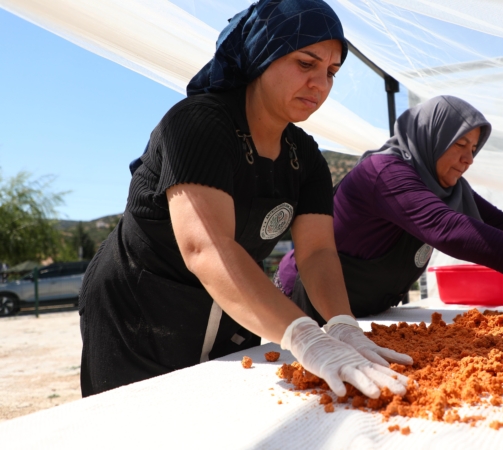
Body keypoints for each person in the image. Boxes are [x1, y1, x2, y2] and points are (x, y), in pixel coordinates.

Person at [79, 0, 411, 399]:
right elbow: (206, 247)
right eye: (306, 64)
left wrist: (341, 324)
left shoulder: (304, 157)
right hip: (140, 314)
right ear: (262, 54)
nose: (320, 84)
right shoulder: (197, 124)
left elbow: (319, 252)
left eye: (331, 73)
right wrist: (305, 335)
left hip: (233, 309)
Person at [277, 95, 503, 323]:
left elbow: (501, 221)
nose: (468, 158)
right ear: (432, 136)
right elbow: (447, 228)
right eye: (459, 144)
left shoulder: (444, 187)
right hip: (307, 305)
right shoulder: (384, 172)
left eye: (474, 148)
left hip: (364, 311)